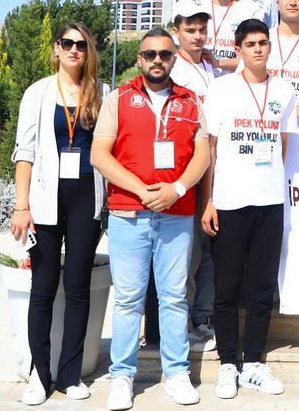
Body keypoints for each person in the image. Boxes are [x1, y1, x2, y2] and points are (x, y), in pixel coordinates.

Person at [92, 29, 211, 410]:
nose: (157, 60)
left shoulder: (190, 101)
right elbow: (100, 155)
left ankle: (176, 373)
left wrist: (176, 188)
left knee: (174, 298)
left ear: (174, 59)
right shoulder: (118, 99)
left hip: (176, 215)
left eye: (164, 54)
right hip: (129, 214)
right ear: (139, 59)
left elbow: (203, 155)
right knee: (128, 299)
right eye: (150, 54)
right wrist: (143, 191)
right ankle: (122, 376)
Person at [201, 19, 299, 400]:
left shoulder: (284, 90)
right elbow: (211, 149)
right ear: (238, 49)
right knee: (227, 287)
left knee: (261, 287)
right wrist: (208, 200)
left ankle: (254, 363)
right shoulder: (221, 89)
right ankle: (228, 363)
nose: (258, 49)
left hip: (269, 201)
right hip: (229, 201)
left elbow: (283, 142)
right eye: (250, 44)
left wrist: (270, 178)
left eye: (263, 43)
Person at [12, 24, 108, 406]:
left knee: (79, 287)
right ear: (56, 48)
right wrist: (22, 206)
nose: (73, 50)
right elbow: (24, 153)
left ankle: (70, 374)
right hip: (45, 201)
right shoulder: (37, 93)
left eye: (81, 44)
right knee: (43, 286)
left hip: (87, 199)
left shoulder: (102, 93)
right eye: (67, 43)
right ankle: (39, 374)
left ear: (88, 51)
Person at [166, 0, 220, 356]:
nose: (198, 35)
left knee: (209, 251)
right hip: (186, 167)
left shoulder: (210, 66)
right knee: (187, 255)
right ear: (176, 32)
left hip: (213, 165)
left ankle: (201, 318)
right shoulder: (173, 69)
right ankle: (180, 324)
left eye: (202, 28)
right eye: (190, 29)